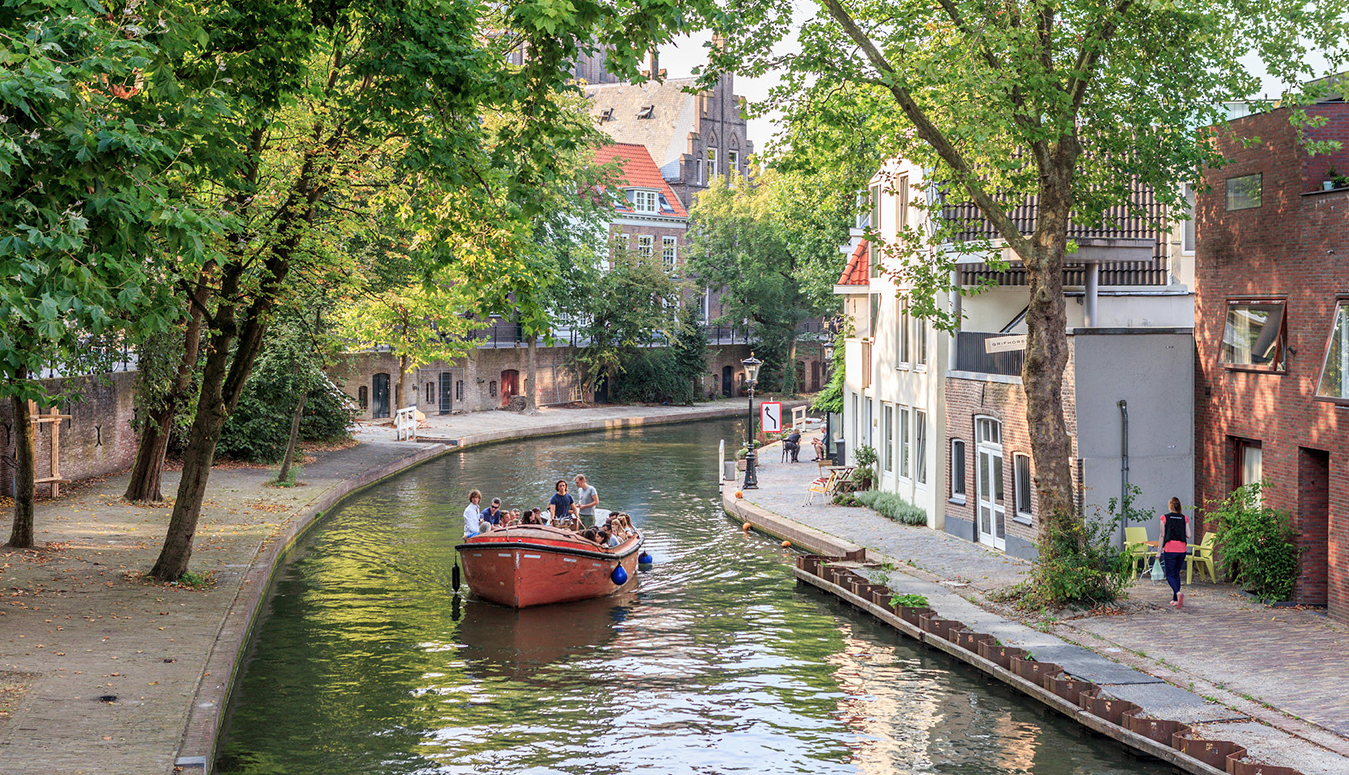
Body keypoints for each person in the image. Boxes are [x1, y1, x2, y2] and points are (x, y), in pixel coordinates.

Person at [1156, 496, 1191, 608]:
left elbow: (1162, 535)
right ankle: (1175, 599)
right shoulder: (1184, 518)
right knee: (1176, 573)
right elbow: (1189, 535)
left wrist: (1158, 552)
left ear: (1170, 505)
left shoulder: (1164, 518)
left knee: (1170, 575)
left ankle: (1178, 593)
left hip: (1170, 549)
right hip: (1182, 550)